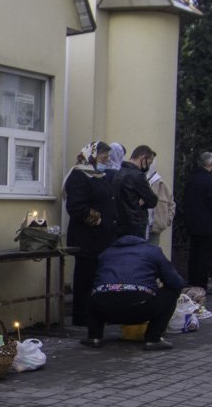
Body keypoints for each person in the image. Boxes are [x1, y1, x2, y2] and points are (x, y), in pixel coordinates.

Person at [79, 235, 184, 351]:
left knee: (93, 293)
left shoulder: (106, 253)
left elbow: (95, 280)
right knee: (172, 292)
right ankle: (153, 339)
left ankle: (94, 337)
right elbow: (176, 283)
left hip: (104, 308)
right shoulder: (153, 251)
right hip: (140, 307)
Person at [63, 141, 116, 326]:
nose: (106, 161)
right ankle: (83, 317)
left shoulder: (98, 175)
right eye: (103, 157)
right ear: (91, 155)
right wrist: (98, 220)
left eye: (107, 157)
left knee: (97, 279)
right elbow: (76, 207)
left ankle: (96, 314)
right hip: (87, 239)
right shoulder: (79, 175)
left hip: (101, 240)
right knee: (85, 279)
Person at [183, 152, 212, 291]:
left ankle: (192, 283)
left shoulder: (191, 179)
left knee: (194, 255)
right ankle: (200, 287)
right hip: (209, 225)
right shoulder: (211, 181)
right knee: (205, 258)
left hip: (193, 224)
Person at [113, 145, 158, 238]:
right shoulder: (138, 176)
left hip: (119, 225)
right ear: (143, 158)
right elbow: (153, 200)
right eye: (149, 163)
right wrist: (144, 200)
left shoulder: (118, 173)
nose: (149, 167)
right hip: (136, 225)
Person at [146, 156, 176, 246]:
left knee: (152, 254)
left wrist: (166, 220)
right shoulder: (137, 180)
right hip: (139, 228)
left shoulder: (162, 184)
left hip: (154, 229)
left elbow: (171, 204)